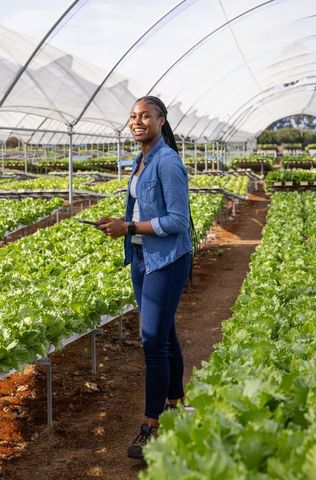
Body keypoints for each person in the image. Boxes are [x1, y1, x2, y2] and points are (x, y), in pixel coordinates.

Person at [98, 95, 192, 460]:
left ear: (161, 119)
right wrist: (120, 225)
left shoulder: (166, 161)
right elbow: (141, 209)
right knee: (164, 333)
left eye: (145, 116)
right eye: (133, 116)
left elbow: (177, 221)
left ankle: (150, 425)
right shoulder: (140, 160)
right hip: (141, 256)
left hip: (165, 259)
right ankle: (176, 404)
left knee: (152, 341)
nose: (137, 121)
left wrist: (131, 226)